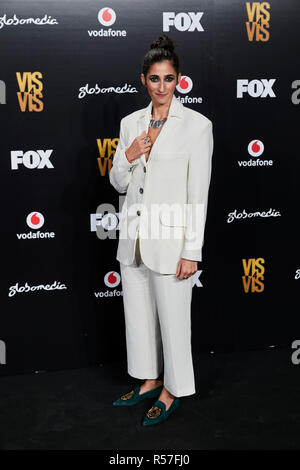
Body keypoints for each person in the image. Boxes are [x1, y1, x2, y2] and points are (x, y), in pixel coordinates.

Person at [109, 34, 214, 426]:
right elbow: (119, 182)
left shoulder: (197, 126)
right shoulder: (129, 123)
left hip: (172, 242)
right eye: (154, 79)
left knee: (173, 321)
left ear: (178, 80)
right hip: (133, 238)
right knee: (138, 315)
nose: (162, 87)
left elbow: (197, 192)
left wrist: (192, 250)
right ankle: (150, 379)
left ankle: (173, 389)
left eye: (169, 79)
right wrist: (129, 155)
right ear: (144, 80)